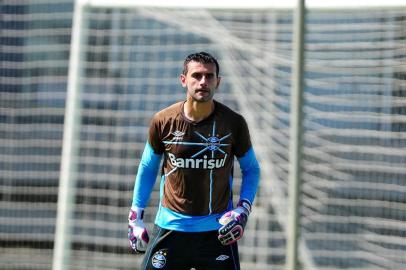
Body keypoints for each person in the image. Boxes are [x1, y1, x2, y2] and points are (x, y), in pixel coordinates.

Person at [128, 52, 260, 270]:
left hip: (218, 232)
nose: (203, 82)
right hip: (170, 229)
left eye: (209, 76)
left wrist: (243, 209)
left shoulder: (233, 123)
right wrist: (135, 216)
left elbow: (252, 169)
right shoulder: (163, 121)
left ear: (218, 81)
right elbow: (147, 167)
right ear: (183, 80)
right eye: (196, 75)